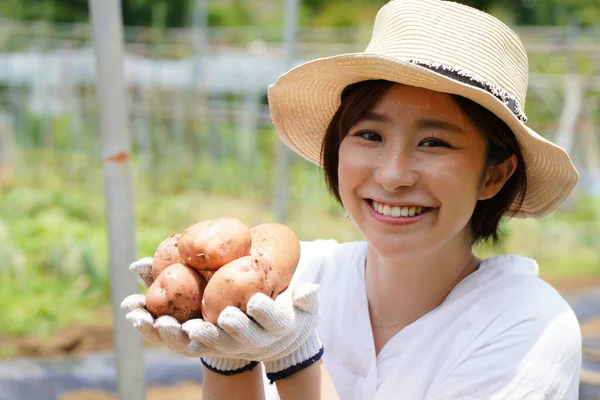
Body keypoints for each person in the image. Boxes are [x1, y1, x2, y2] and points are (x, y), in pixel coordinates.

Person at [121, 0, 582, 398]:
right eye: (369, 134)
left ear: (495, 175)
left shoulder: (528, 327)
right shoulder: (298, 280)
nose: (393, 175)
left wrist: (294, 359)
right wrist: (232, 360)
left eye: (434, 143)